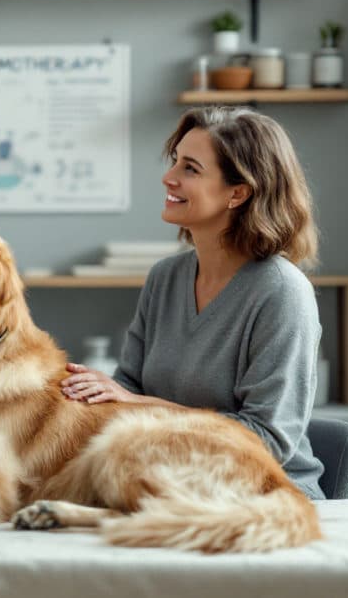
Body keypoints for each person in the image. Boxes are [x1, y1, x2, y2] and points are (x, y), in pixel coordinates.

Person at [60, 106, 325, 499]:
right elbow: (126, 389)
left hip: (265, 498)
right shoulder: (165, 278)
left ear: (238, 192)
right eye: (174, 162)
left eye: (191, 168)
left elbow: (267, 441)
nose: (169, 177)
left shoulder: (283, 293)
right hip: (174, 483)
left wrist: (140, 404)